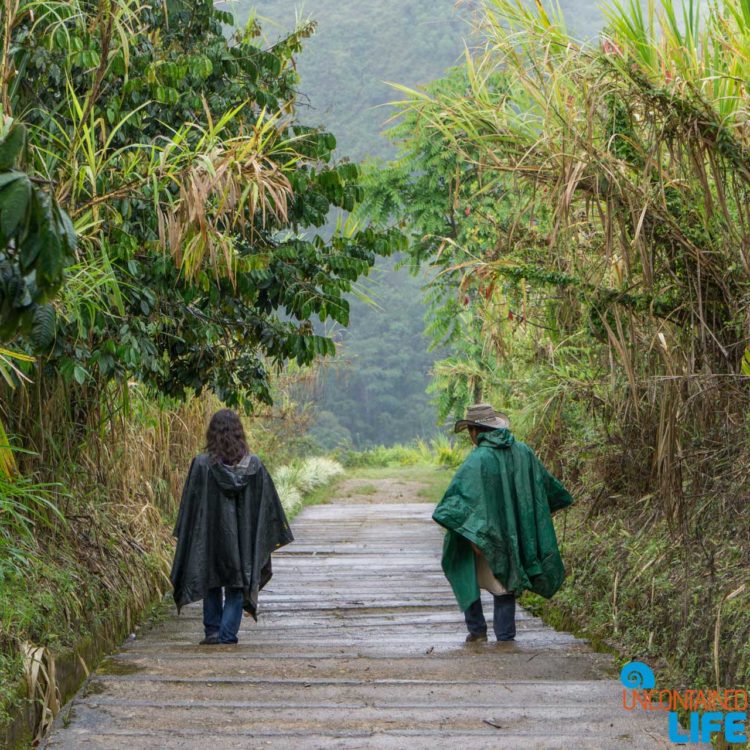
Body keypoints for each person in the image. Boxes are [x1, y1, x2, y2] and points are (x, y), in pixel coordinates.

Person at [433, 403, 574, 643]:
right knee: (507, 583)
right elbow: (548, 490)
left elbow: (456, 503)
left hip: (481, 537)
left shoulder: (477, 460)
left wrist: (471, 535)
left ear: (475, 431)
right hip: (514, 534)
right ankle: (506, 639)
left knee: (464, 570)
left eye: (469, 431)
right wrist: (526, 522)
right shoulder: (524, 452)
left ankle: (477, 631)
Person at [170, 409, 293, 645]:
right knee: (237, 582)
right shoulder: (254, 466)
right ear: (239, 433)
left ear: (212, 434)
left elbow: (190, 509)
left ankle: (213, 633)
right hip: (243, 542)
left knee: (211, 578)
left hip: (210, 539)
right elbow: (267, 509)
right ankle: (227, 634)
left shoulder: (201, 465)